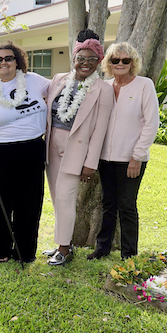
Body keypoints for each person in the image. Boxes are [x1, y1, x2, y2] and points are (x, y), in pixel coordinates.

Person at [43, 29, 114, 265]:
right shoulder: (58, 79)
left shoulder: (103, 90)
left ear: (99, 61)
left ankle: (64, 249)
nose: (85, 63)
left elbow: (100, 130)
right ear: (74, 59)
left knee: (65, 197)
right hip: (51, 145)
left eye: (91, 59)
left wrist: (90, 163)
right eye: (80, 58)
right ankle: (63, 242)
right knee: (56, 197)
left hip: (77, 150)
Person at [0, 42, 50, 263]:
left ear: (18, 61)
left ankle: (25, 252)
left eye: (8, 58)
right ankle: (0, 250)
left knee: (30, 203)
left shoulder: (35, 80)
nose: (4, 62)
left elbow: (60, 88)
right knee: (0, 204)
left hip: (32, 149)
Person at [87, 42, 159, 260]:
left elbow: (151, 123)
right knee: (108, 203)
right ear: (108, 63)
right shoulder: (104, 87)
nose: (120, 64)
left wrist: (137, 156)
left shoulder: (144, 85)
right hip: (105, 159)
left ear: (132, 63)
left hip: (131, 159)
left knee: (127, 206)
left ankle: (129, 254)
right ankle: (103, 247)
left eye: (125, 60)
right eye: (115, 60)